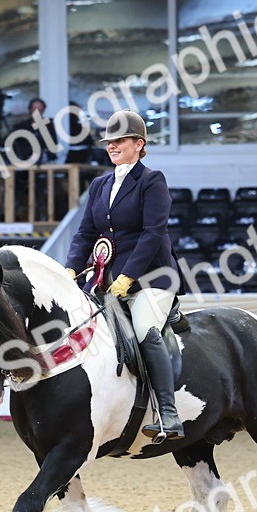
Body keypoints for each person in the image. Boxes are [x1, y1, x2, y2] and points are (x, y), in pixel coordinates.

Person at [64, 109, 183, 440]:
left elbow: (153, 233)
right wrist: (71, 267)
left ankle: (168, 412)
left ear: (138, 143)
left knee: (145, 329)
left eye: (119, 141)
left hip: (152, 279)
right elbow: (85, 233)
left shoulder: (151, 180)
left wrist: (129, 277)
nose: (112, 146)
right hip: (105, 280)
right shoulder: (100, 184)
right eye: (109, 142)